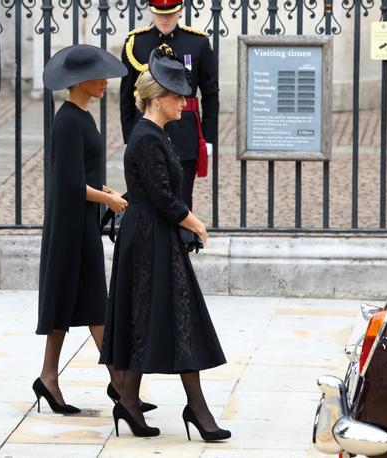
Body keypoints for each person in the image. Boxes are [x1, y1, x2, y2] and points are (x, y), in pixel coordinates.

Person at [99, 46, 230, 441]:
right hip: (149, 238)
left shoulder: (155, 134)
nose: (184, 103)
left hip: (154, 235)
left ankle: (130, 400)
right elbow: (162, 196)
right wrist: (197, 224)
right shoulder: (145, 138)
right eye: (176, 97)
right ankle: (193, 409)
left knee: (157, 315)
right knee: (171, 315)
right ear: (157, 101)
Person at [35, 44, 157, 415]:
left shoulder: (83, 117)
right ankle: (119, 384)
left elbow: (82, 176)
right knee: (90, 302)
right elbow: (68, 183)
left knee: (80, 299)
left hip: (81, 220)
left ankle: (50, 377)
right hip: (71, 224)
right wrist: (110, 202)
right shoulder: (69, 120)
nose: (105, 83)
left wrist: (103, 190)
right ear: (79, 81)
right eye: (98, 78)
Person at [119, 0, 219, 210]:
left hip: (185, 133)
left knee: (181, 198)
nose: (165, 19)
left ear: (181, 10)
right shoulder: (136, 43)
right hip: (146, 129)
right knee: (148, 197)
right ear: (151, 11)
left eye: (170, 13)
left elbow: (210, 94)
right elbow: (126, 95)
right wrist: (129, 136)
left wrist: (208, 138)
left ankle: (183, 243)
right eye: (160, 13)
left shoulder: (198, 43)